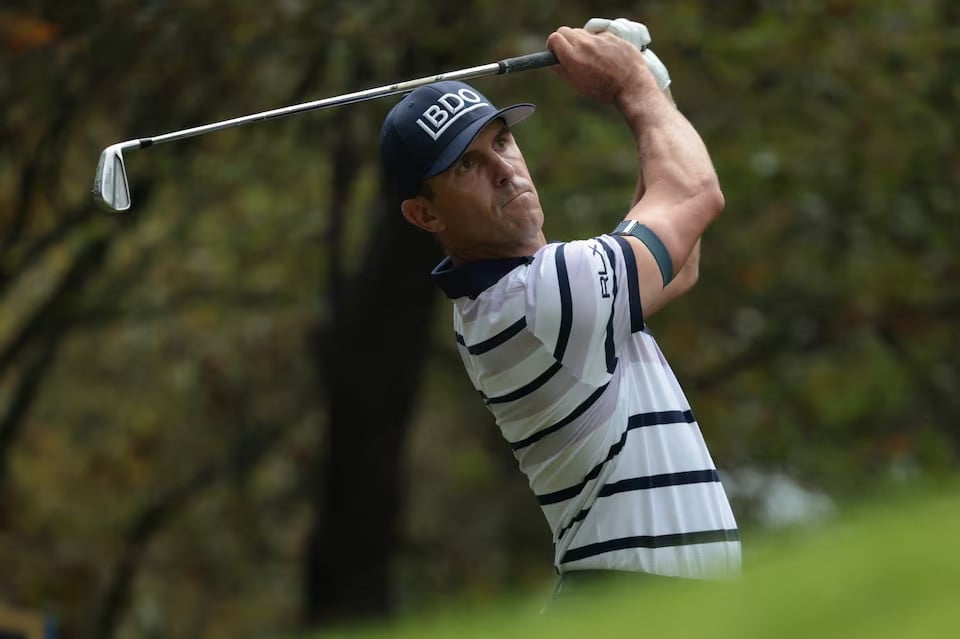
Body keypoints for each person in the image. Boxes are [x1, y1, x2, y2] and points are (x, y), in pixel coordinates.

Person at [379, 18, 741, 596]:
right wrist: (630, 87)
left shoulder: (523, 297)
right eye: (465, 165)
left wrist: (651, 79)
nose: (504, 169)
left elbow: (682, 256)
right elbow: (696, 193)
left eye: (500, 141)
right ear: (425, 215)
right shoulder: (541, 298)